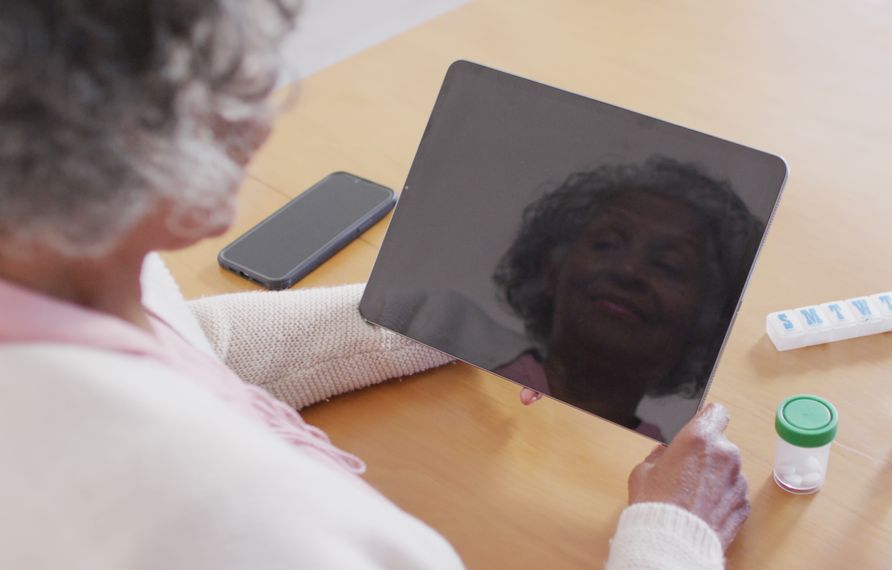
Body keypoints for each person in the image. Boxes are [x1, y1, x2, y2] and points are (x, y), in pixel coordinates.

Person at [0, 2, 749, 569]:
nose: (269, 102)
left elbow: (189, 346)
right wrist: (675, 532)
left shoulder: (48, 252)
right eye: (251, 70)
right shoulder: (231, 518)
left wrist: (438, 319)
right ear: (144, 136)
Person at [494, 158, 764, 441]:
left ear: (706, 325)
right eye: (606, 244)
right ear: (550, 270)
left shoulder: (660, 468)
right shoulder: (467, 379)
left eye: (667, 265)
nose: (629, 270)